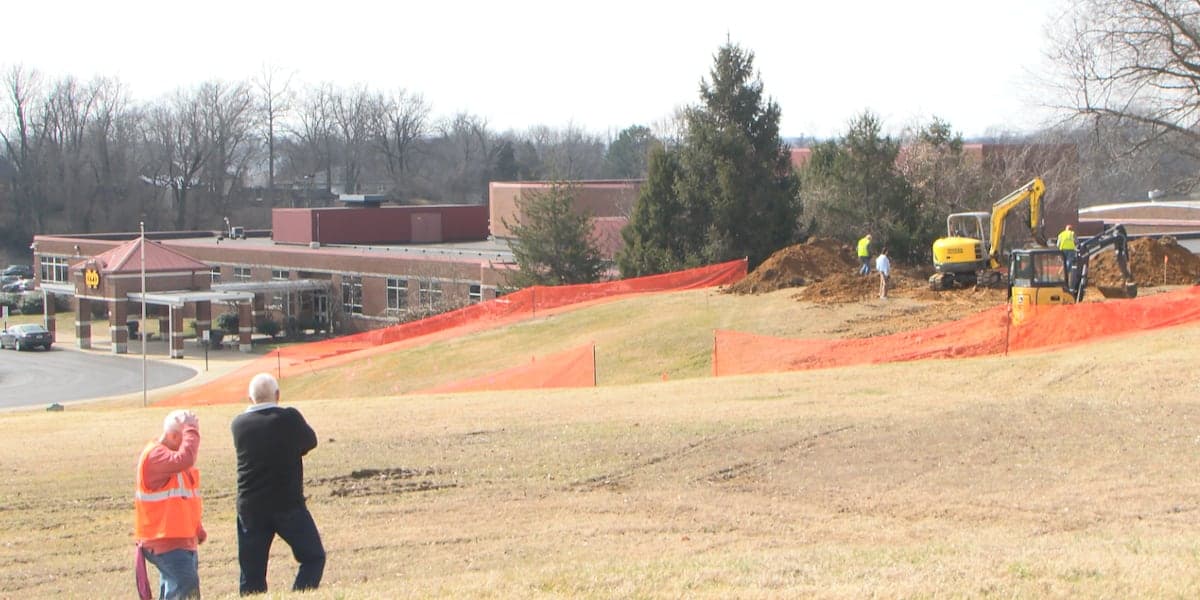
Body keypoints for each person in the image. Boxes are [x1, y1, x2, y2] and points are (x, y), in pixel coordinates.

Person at [231, 373, 325, 595]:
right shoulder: (289, 418)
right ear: (278, 395)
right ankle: (300, 593)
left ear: (250, 398)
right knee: (313, 557)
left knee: (251, 575)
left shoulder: (238, 424)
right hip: (287, 504)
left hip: (251, 506)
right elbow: (310, 441)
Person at [135, 409, 206, 600]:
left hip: (181, 541)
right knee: (186, 588)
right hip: (165, 543)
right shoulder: (156, 456)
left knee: (180, 589)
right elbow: (186, 458)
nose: (191, 447)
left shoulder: (174, 461)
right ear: (174, 436)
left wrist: (196, 528)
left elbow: (184, 498)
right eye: (187, 439)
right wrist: (191, 428)